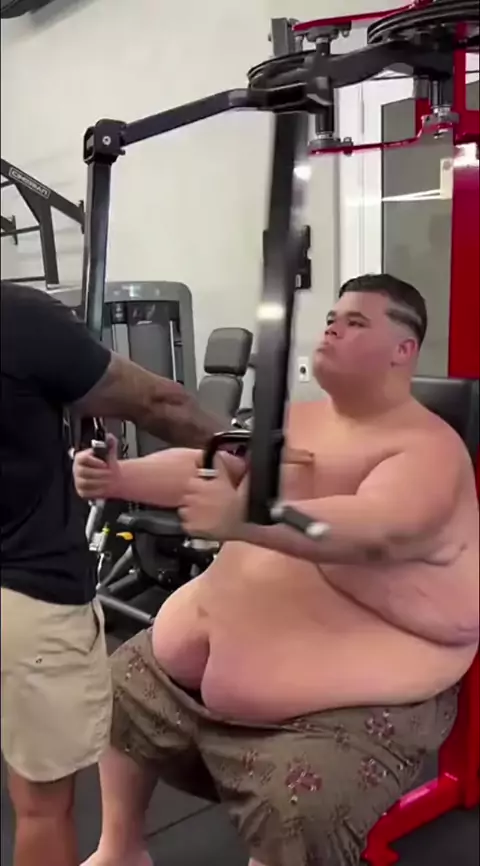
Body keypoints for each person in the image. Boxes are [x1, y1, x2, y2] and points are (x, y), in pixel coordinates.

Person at [73, 274, 479, 866]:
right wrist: (119, 477)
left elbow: (375, 528)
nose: (333, 328)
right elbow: (215, 467)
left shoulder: (427, 449)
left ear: (404, 349)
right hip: (194, 672)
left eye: (357, 322)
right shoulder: (300, 420)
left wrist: (244, 520)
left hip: (343, 705)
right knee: (118, 691)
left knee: (300, 803)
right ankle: (120, 849)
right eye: (333, 318)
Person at [0, 279, 246, 866]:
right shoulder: (15, 317)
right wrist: (248, 452)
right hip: (25, 594)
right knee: (41, 808)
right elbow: (160, 403)